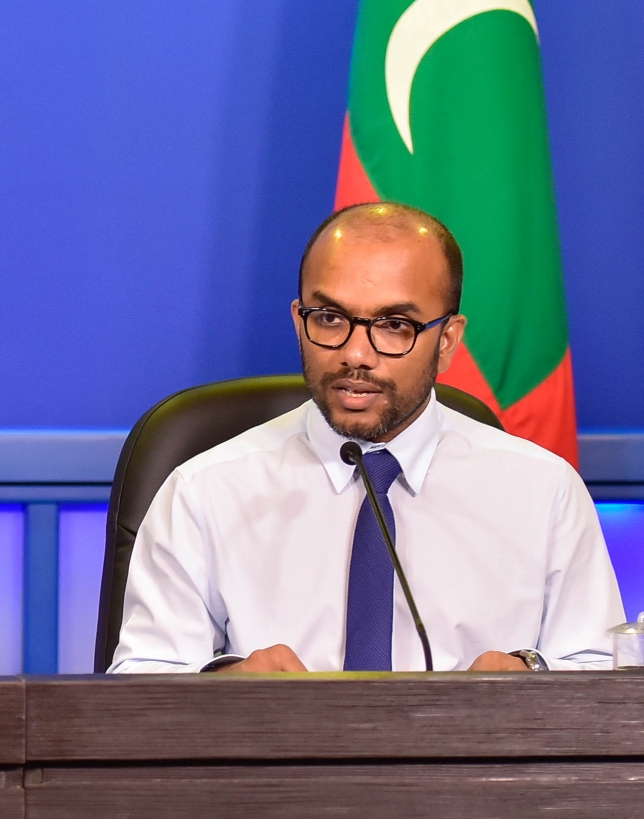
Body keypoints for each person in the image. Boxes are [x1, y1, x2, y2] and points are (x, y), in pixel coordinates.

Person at [111, 201, 622, 673]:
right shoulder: (204, 490)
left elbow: (600, 676)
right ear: (299, 321)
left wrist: (534, 676)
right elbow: (141, 687)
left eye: (395, 325)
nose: (355, 354)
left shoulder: (543, 490)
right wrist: (228, 692)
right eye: (330, 318)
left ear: (447, 341)